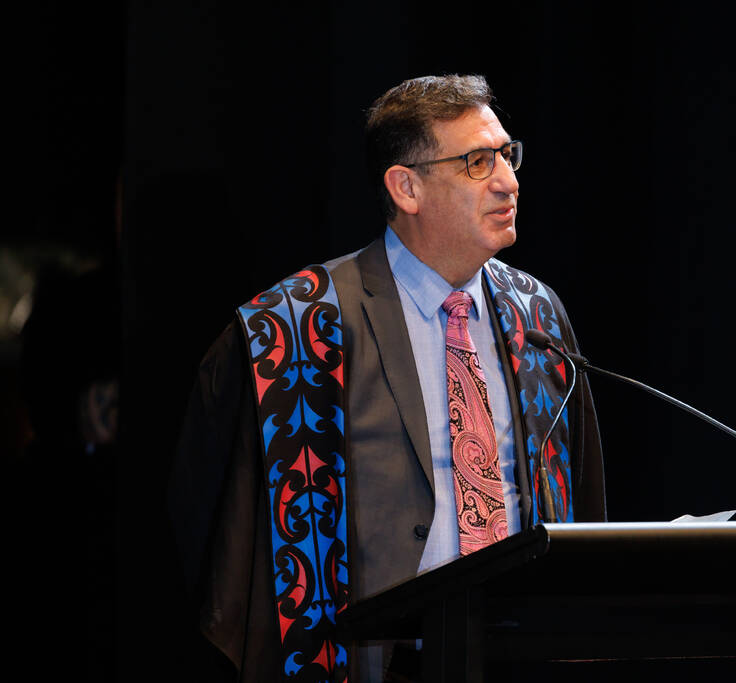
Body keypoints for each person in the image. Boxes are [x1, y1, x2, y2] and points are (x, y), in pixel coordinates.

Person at [169, 74, 605, 683]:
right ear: (406, 187)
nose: (508, 181)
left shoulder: (537, 316)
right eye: (477, 162)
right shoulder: (293, 329)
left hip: (516, 654)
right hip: (370, 662)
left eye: (508, 155)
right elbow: (209, 531)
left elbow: (580, 498)